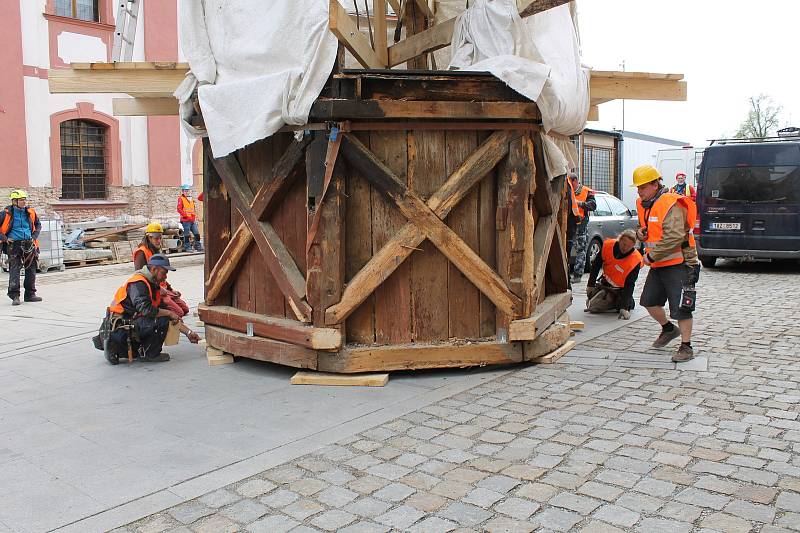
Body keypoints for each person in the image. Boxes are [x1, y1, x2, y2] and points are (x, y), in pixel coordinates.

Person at [633, 165, 700, 363]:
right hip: (660, 264)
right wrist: (640, 233)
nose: (639, 191)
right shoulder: (644, 203)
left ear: (655, 184)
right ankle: (668, 329)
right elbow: (646, 227)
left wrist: (651, 257)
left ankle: (686, 346)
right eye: (638, 188)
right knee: (648, 301)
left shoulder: (671, 203)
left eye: (643, 187)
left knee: (682, 307)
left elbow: (674, 236)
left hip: (680, 263)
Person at [99, 254, 199, 364]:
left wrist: (189, 332)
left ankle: (141, 349)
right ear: (154, 269)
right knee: (162, 320)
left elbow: (162, 310)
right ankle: (151, 354)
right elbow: (146, 310)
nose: (166, 277)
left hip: (131, 321)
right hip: (120, 327)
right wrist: (169, 313)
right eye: (164, 272)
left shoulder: (152, 284)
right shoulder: (139, 283)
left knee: (164, 316)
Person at [133, 222, 189, 317]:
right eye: (156, 238)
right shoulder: (141, 253)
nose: (159, 241)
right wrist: (159, 289)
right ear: (149, 238)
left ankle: (166, 303)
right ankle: (160, 309)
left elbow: (162, 276)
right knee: (179, 313)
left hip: (163, 289)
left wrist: (170, 289)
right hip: (155, 290)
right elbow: (141, 277)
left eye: (160, 238)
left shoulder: (155, 250)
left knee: (185, 309)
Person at [585, 229, 643, 319]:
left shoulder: (635, 260)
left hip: (620, 290)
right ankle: (602, 297)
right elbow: (596, 266)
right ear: (619, 240)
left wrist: (624, 308)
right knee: (593, 304)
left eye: (629, 246)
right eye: (624, 244)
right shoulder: (608, 246)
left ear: (633, 246)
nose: (625, 248)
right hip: (605, 284)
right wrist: (590, 285)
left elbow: (630, 284)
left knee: (596, 307)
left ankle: (627, 302)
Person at [0, 190, 42, 306]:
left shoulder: (30, 212)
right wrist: (4, 238)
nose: (24, 201)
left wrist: (34, 236)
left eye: (25, 199)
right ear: (14, 201)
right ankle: (15, 295)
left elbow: (38, 225)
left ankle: (30, 294)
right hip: (14, 245)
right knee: (14, 270)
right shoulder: (5, 214)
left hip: (29, 243)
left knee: (32, 269)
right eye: (21, 199)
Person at [566, 173, 596, 283]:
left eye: (570, 183)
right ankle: (567, 274)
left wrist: (580, 204)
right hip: (570, 224)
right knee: (568, 248)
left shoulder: (586, 191)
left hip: (581, 224)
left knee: (581, 249)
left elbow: (593, 205)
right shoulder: (568, 191)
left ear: (574, 181)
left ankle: (577, 275)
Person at [177, 184, 203, 253]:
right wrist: (185, 215)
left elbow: (192, 209)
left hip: (192, 220)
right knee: (187, 234)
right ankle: (187, 247)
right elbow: (179, 209)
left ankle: (197, 246)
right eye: (185, 191)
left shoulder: (191, 199)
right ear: (182, 191)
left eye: (187, 191)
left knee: (197, 233)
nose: (186, 192)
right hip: (185, 220)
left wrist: (194, 217)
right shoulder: (181, 199)